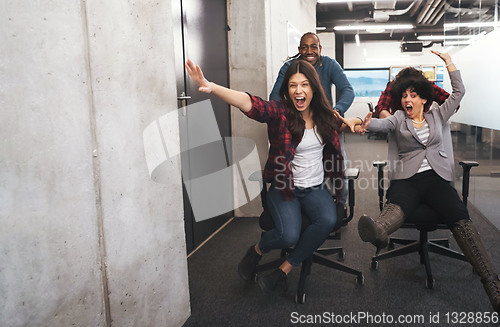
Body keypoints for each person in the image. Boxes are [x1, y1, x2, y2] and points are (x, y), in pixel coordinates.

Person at [185, 58, 364, 295]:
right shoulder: (280, 112)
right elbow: (250, 103)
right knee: (287, 234)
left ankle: (283, 270)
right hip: (284, 188)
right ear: (287, 90)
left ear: (313, 87)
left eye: (304, 85)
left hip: (314, 189)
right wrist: (212, 86)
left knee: (328, 220)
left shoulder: (324, 115)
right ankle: (258, 250)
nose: (298, 91)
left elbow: (343, 122)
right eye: (292, 85)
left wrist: (357, 121)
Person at [356, 50, 500, 312]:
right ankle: (378, 231)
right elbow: (381, 124)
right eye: (403, 95)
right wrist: (363, 124)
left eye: (412, 95)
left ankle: (492, 284)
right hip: (407, 177)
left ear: (424, 98)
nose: (406, 99)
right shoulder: (398, 118)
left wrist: (449, 63)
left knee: (459, 215)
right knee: (397, 203)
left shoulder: (438, 115)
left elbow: (458, 93)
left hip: (436, 177)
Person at [270, 32, 355, 212]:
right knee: (298, 168)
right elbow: (274, 98)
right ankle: (298, 210)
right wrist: (290, 114)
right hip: (298, 127)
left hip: (325, 125)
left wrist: (336, 111)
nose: (310, 51)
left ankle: (341, 206)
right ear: (299, 49)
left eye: (313, 47)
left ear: (320, 48)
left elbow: (347, 90)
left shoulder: (329, 64)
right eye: (305, 47)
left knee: (338, 165)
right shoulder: (289, 67)